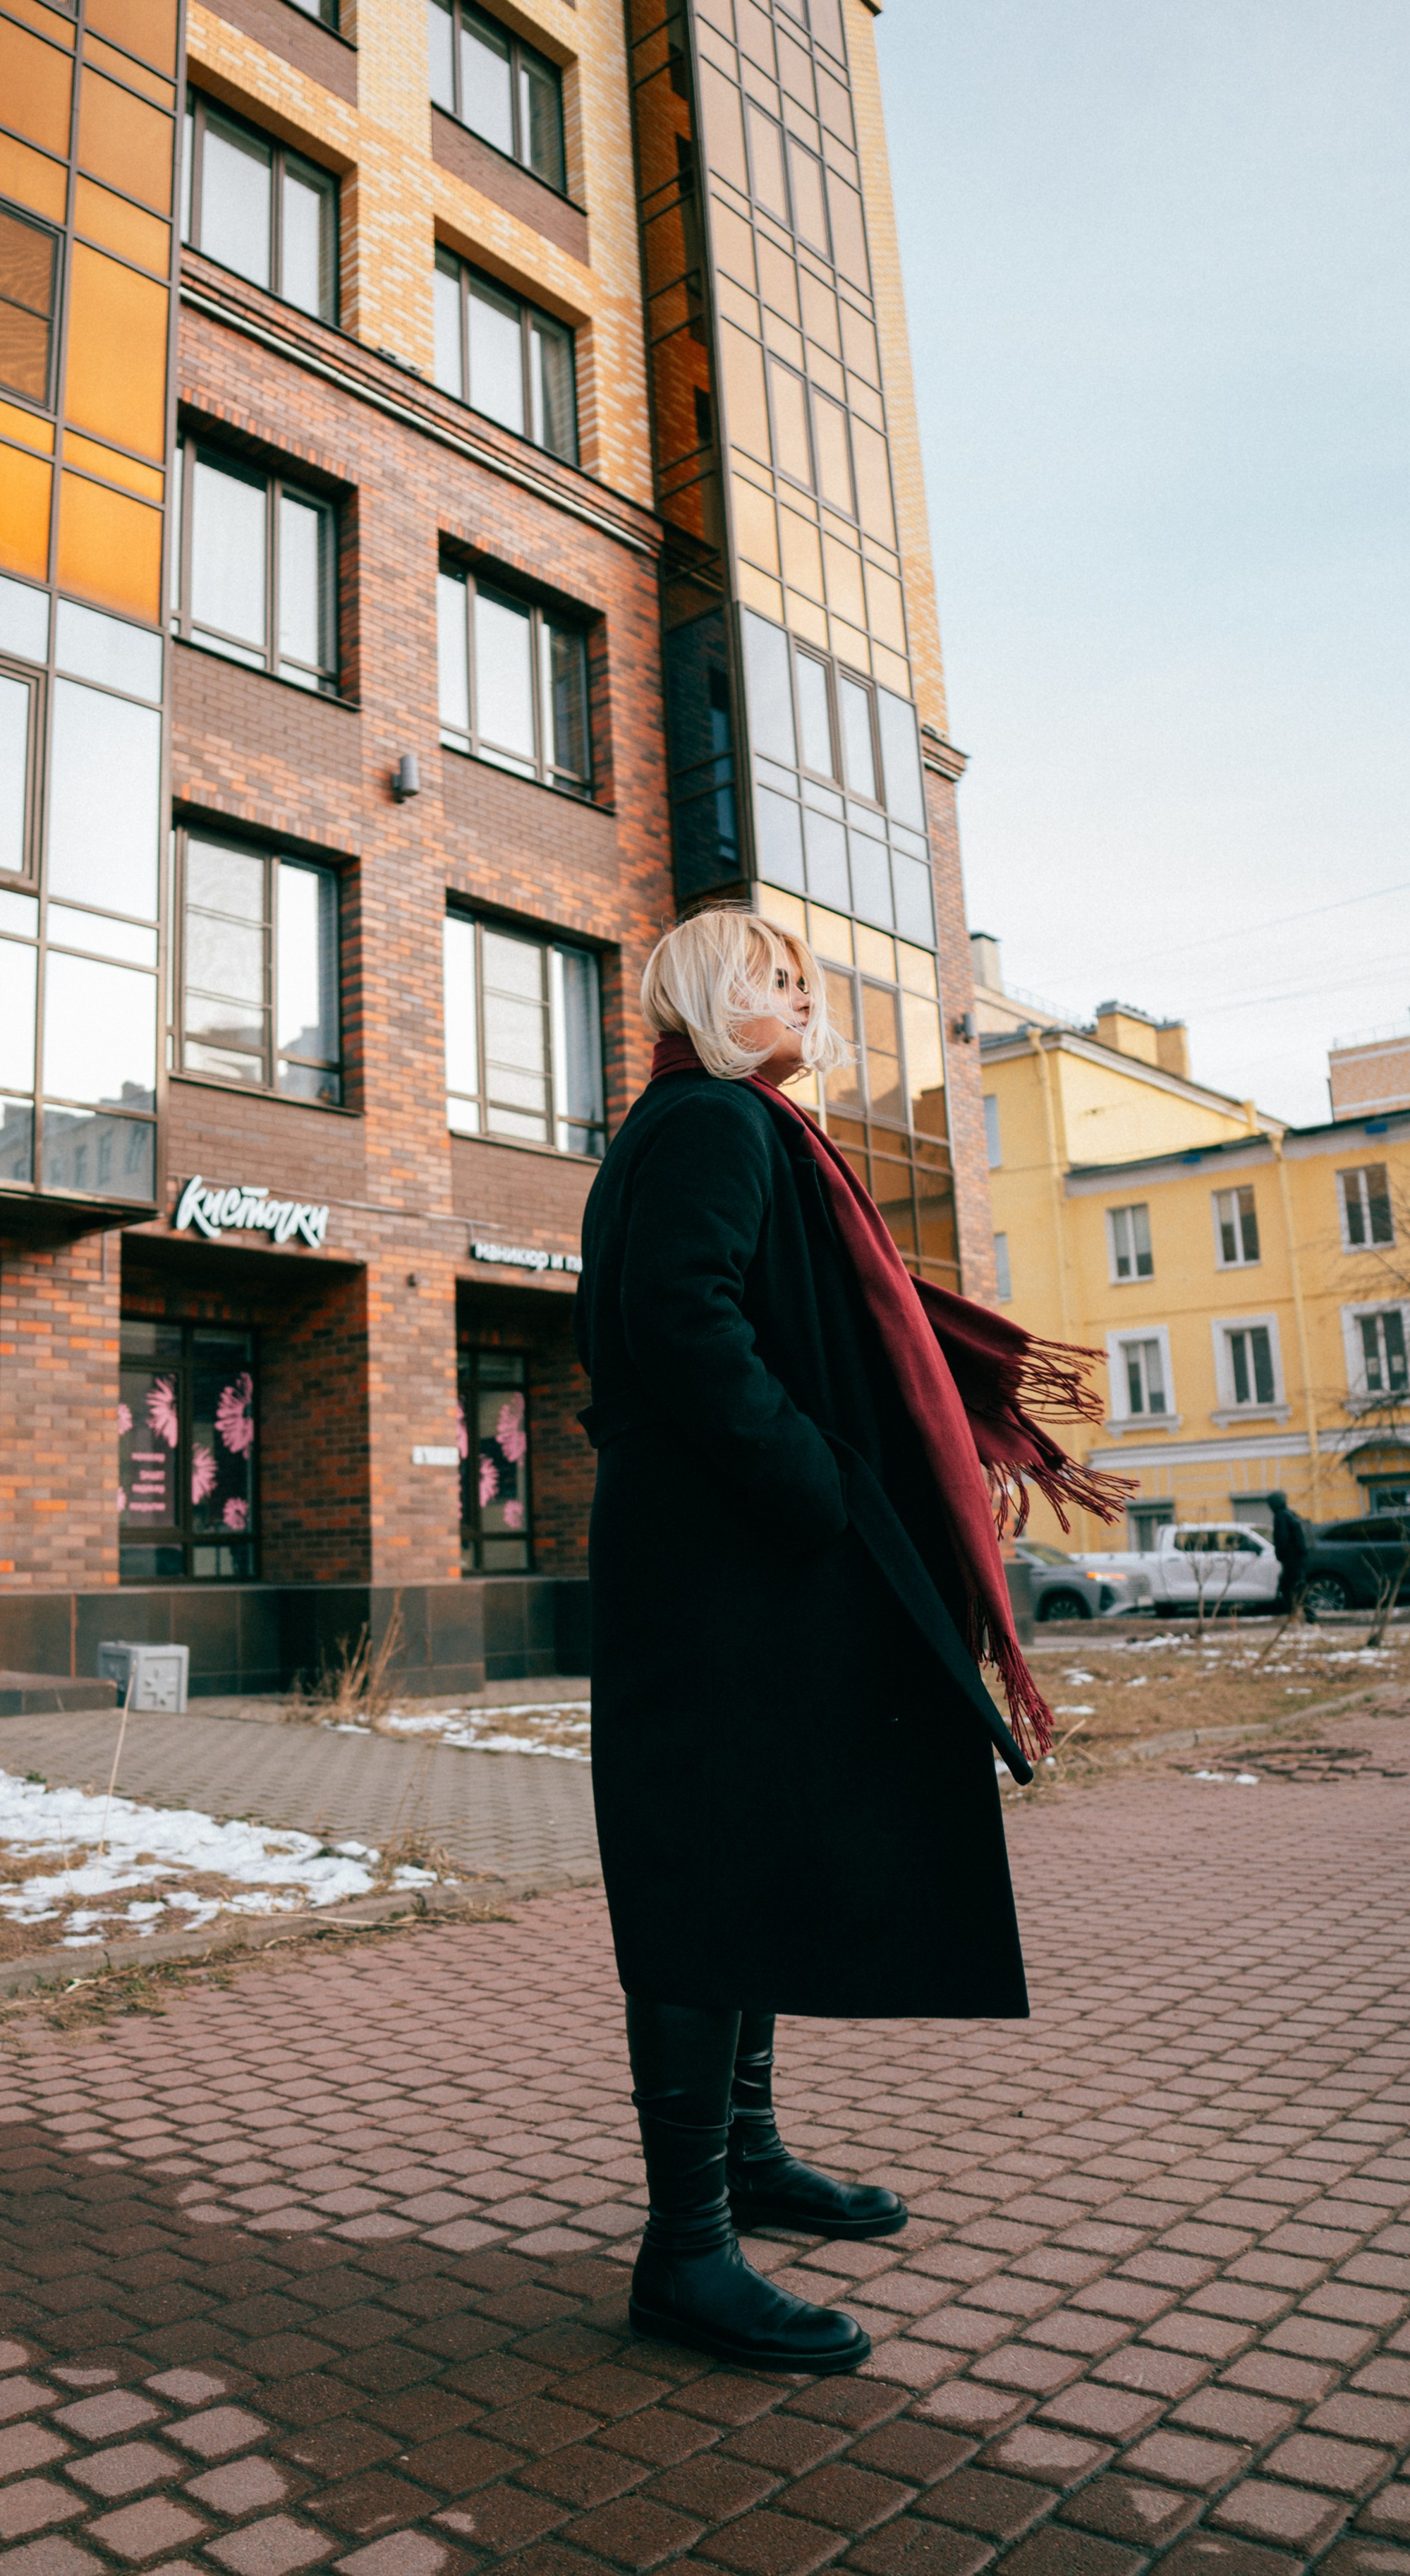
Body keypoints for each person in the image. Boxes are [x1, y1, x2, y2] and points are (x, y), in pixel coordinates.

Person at [576, 908, 1126, 2375]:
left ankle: (745, 2159)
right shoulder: (710, 1122)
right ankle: (685, 2248)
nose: (802, 1002)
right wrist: (810, 1481)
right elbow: (681, 1321)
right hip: (716, 1558)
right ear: (707, 998)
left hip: (719, 1553)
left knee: (746, 1846)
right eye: (773, 981)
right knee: (702, 1868)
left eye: (804, 983)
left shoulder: (721, 1125)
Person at [1267, 1491, 1314, 1619]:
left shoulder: (1280, 1517)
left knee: (1290, 1588)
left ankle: (1303, 1617)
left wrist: (1280, 1555)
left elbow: (1282, 1539)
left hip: (1290, 1560)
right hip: (1300, 1558)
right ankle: (1298, 1616)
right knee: (1294, 1586)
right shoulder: (1291, 1514)